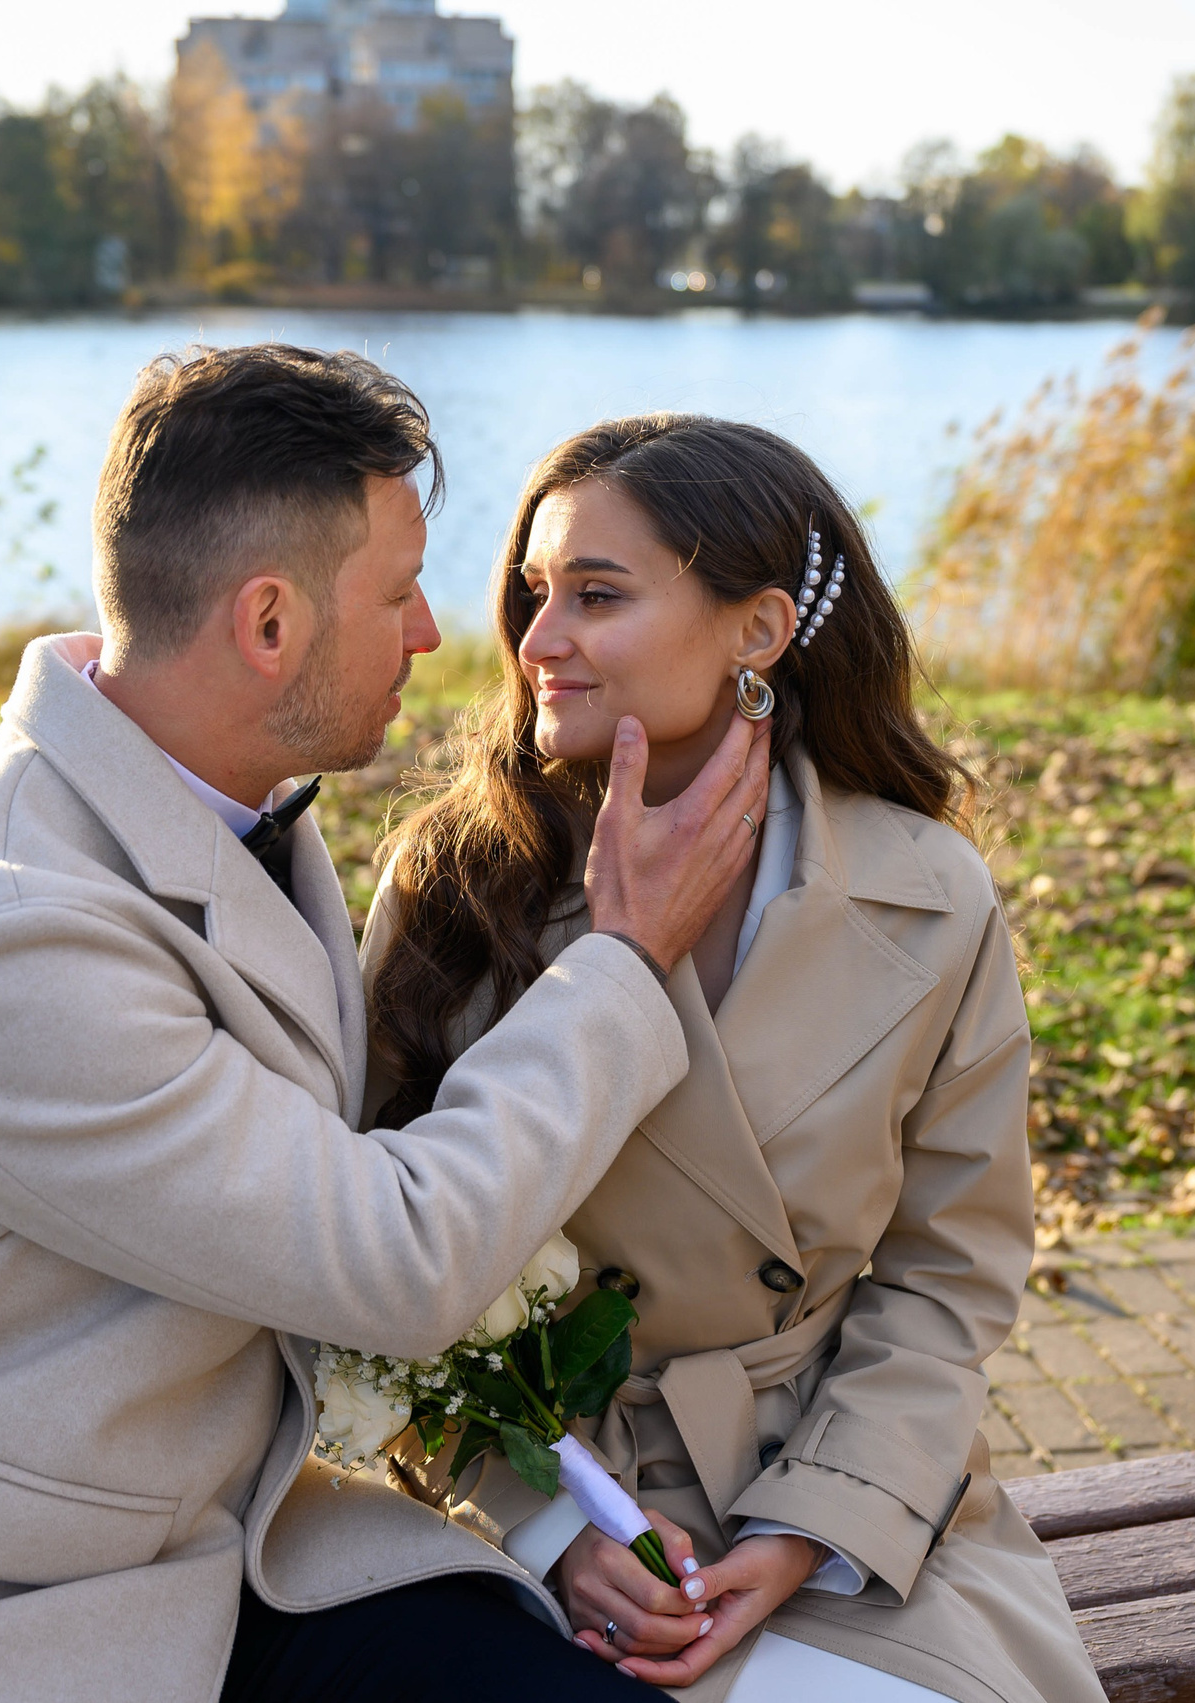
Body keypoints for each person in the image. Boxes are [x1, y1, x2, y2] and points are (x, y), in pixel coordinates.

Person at [0, 348, 770, 1703]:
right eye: (397, 592)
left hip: (238, 1557)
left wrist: (550, 1508)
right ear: (270, 624)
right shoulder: (3, 949)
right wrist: (622, 957)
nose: (439, 633)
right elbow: (395, 1256)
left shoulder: (210, 797)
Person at [361, 415, 1097, 1703]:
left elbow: (949, 1271)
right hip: (531, 1511)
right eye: (534, 598)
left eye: (597, 596)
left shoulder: (930, 896)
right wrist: (547, 1525)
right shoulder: (456, 891)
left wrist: (813, 1528)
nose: (537, 645)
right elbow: (368, 1258)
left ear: (756, 631)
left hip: (830, 1493)